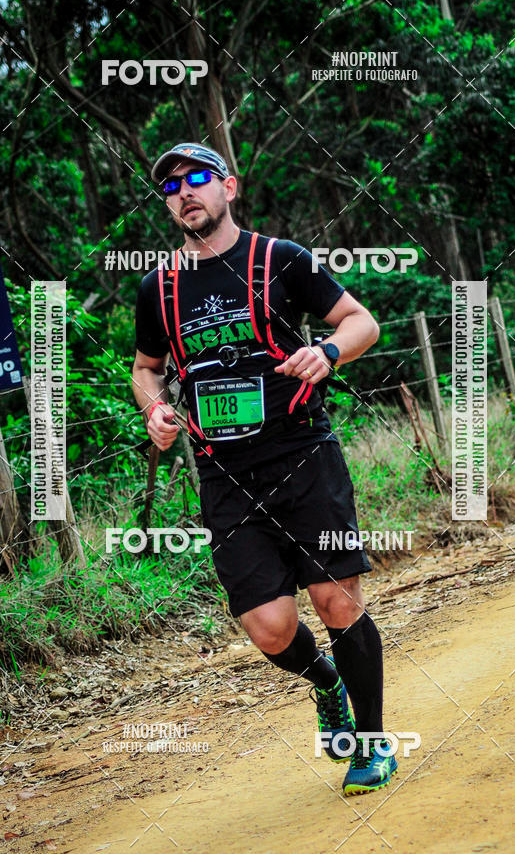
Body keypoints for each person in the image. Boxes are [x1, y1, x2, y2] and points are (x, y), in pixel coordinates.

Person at [132, 142, 397, 794]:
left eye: (197, 178)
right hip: (225, 474)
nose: (184, 191)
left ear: (230, 186)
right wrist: (155, 409)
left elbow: (363, 322)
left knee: (337, 600)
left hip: (304, 453)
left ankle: (373, 743)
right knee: (272, 627)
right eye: (170, 186)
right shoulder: (157, 287)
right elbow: (146, 368)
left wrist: (328, 351)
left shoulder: (281, 260)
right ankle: (324, 681)